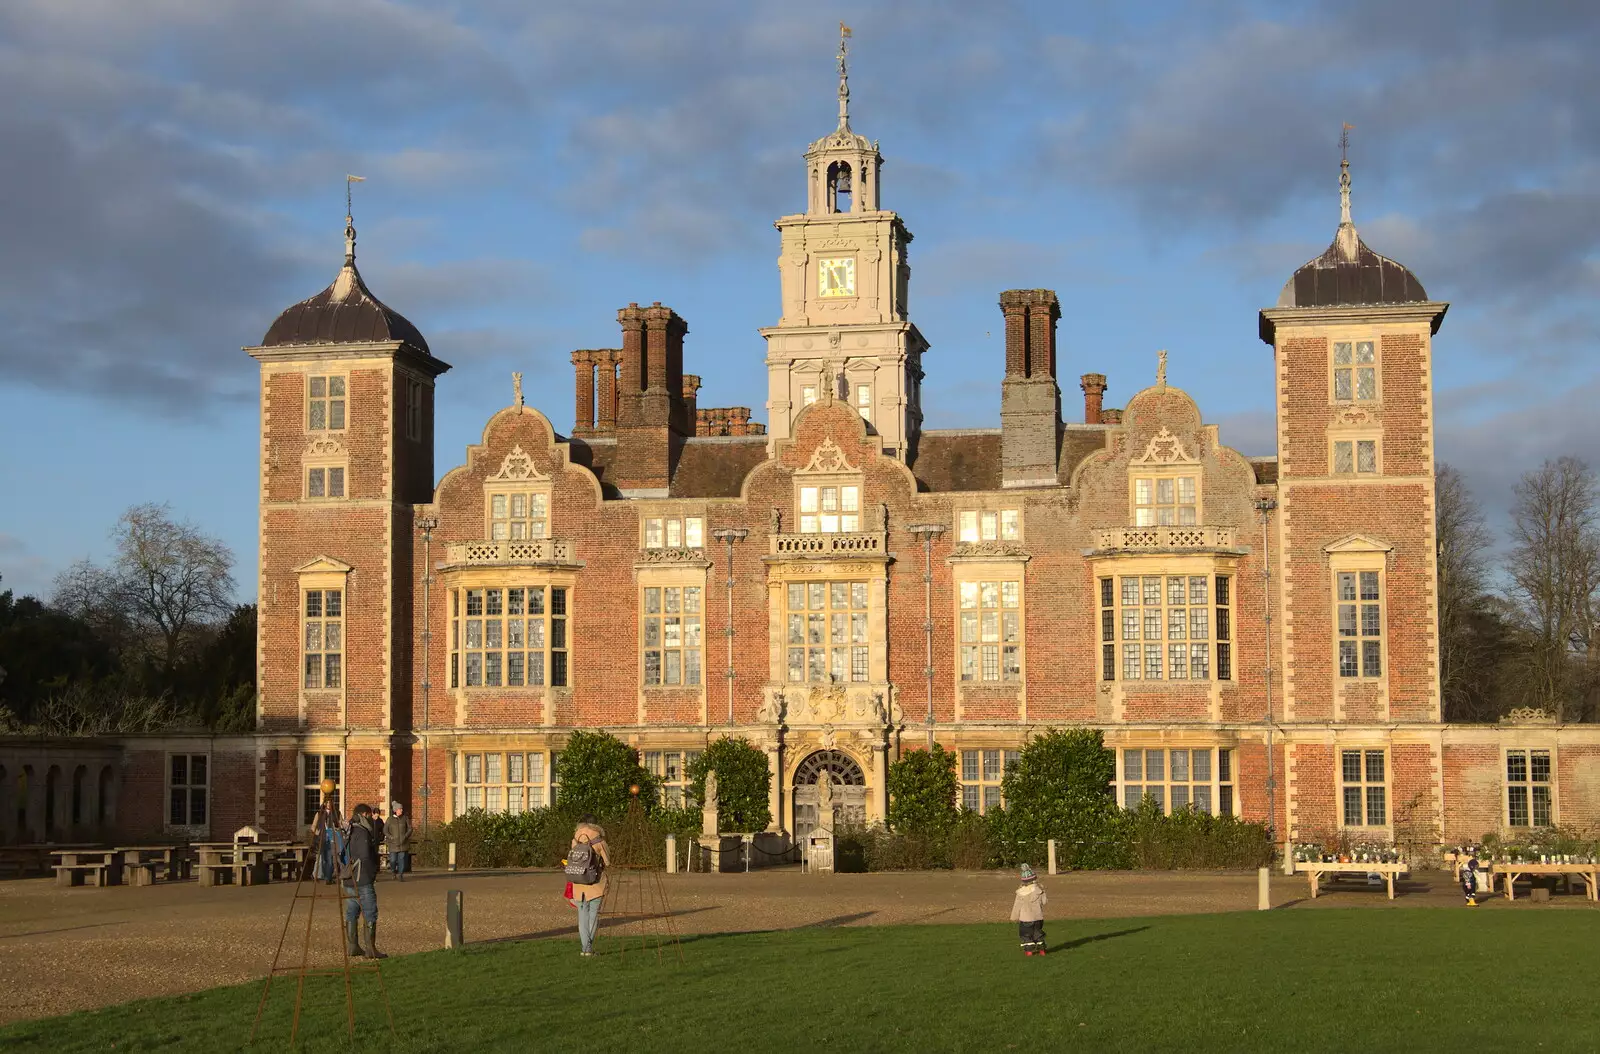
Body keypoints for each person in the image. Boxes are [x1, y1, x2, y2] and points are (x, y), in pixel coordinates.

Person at [342, 803, 388, 959]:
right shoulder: (361, 832)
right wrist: (373, 871)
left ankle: (353, 946)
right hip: (362, 878)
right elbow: (365, 856)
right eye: (369, 815)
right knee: (370, 912)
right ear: (364, 815)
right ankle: (370, 949)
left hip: (348, 878)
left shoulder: (347, 830)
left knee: (352, 912)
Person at [567, 814, 610, 957]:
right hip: (595, 884)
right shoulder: (599, 839)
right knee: (593, 916)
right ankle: (588, 948)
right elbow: (608, 861)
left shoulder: (575, 839)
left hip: (578, 883)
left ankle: (585, 948)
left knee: (582, 917)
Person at [1010, 863, 1048, 956]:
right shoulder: (1039, 890)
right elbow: (1045, 902)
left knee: (1026, 936)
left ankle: (1029, 952)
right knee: (1038, 934)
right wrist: (1043, 892)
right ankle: (1042, 951)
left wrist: (1013, 917)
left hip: (1025, 919)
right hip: (1038, 918)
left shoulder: (1020, 893)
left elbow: (1017, 906)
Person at [311, 797, 344, 885]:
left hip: (332, 840)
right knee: (322, 859)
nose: (329, 804)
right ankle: (319, 875)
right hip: (322, 840)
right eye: (327, 803)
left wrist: (338, 830)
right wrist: (319, 833)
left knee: (330, 859)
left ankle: (328, 878)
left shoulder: (336, 813)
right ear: (325, 803)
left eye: (330, 802)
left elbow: (341, 824)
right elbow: (313, 826)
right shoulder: (319, 813)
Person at [384, 801, 413, 881]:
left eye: (402, 809)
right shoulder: (390, 819)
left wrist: (406, 836)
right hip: (393, 844)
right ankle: (393, 871)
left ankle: (400, 874)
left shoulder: (405, 818)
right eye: (400, 809)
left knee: (402, 860)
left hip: (403, 843)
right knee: (392, 860)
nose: (401, 810)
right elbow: (385, 830)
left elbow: (410, 828)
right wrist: (390, 837)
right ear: (396, 810)